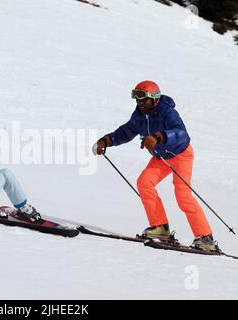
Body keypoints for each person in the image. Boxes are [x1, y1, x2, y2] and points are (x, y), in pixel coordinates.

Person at [92, 81, 218, 252]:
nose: (139, 102)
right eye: (136, 97)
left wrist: (158, 137)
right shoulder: (139, 115)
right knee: (144, 183)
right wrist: (106, 140)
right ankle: (160, 227)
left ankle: (206, 238)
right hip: (161, 158)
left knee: (182, 195)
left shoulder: (168, 112)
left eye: (143, 97)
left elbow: (182, 134)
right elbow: (126, 131)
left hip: (181, 156)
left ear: (155, 99)